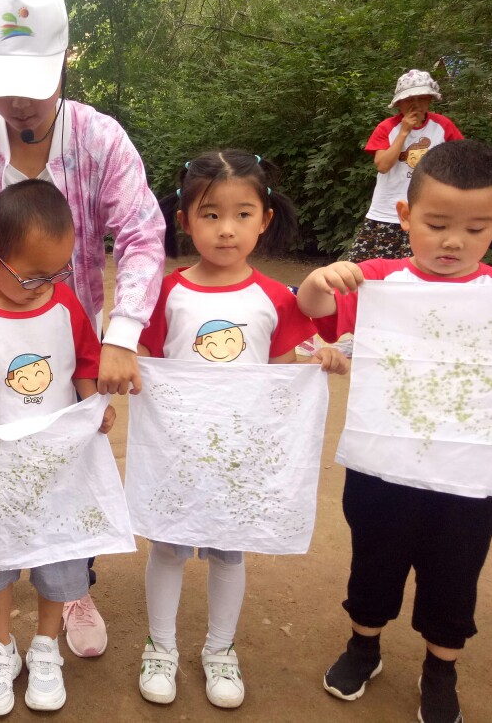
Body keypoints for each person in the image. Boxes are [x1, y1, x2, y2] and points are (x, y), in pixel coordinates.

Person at [0, 0, 165, 653]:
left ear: (64, 59)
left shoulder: (100, 139)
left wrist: (122, 332)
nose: (19, 102)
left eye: (33, 81)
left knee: (70, 453)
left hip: (70, 335)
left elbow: (142, 233)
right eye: (3, 83)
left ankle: (73, 581)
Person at [297, 140, 492, 723]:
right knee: (374, 559)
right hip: (383, 464)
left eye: (475, 228)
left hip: (470, 475)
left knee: (455, 573)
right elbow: (312, 307)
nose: (454, 241)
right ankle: (363, 645)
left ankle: (441, 669)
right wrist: (322, 279)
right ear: (404, 214)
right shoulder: (379, 281)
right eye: (437, 224)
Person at [134, 150, 349, 710]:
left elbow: (284, 368)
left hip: (239, 459)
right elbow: (146, 361)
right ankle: (160, 646)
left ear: (264, 219)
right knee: (168, 546)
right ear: (184, 220)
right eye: (210, 214)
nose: (226, 229)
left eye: (242, 214)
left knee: (230, 552)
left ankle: (220, 649)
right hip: (178, 454)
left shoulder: (276, 298)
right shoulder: (164, 293)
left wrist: (318, 358)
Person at [0, 180, 115, 716]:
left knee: (57, 557)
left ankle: (45, 646)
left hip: (58, 467)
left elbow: (84, 360)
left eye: (57, 272)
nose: (45, 285)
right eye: (32, 275)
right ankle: (0, 648)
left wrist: (93, 405)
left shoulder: (63, 303)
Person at [344, 69, 462, 262]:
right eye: (409, 99)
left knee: (422, 270)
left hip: (428, 214)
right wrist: (404, 132)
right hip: (386, 212)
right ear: (398, 103)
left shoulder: (443, 126)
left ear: (430, 100)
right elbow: (382, 165)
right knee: (369, 270)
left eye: (422, 98)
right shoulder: (387, 127)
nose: (416, 104)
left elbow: (461, 161)